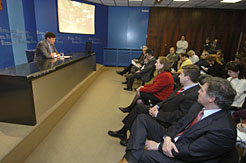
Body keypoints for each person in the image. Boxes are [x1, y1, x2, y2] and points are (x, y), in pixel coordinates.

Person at [120, 77, 237, 163]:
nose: (198, 91)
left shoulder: (224, 130)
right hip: (174, 139)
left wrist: (158, 146)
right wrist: (167, 138)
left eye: (202, 90)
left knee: (141, 155)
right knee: (142, 119)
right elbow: (179, 123)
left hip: (183, 157)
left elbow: (191, 152)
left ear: (211, 99)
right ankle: (133, 155)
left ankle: (133, 156)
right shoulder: (198, 105)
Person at [108, 65, 200, 146]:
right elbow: (168, 99)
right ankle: (123, 132)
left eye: (181, 74)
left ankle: (132, 140)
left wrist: (157, 114)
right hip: (162, 110)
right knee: (139, 107)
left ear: (187, 78)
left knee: (142, 115)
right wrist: (157, 106)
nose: (179, 76)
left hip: (166, 120)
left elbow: (178, 116)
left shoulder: (193, 94)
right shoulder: (184, 86)